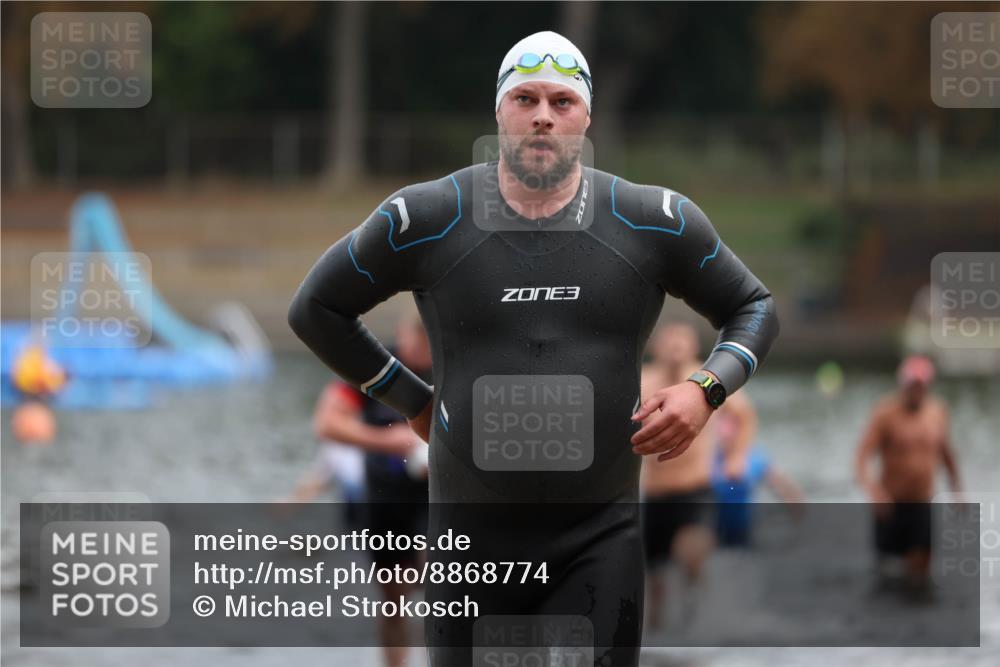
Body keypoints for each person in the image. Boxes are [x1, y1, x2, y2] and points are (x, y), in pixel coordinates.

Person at [288, 30, 778, 667]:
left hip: (598, 538)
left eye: (561, 101)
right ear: (499, 112)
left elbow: (754, 307)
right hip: (470, 542)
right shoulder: (429, 215)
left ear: (586, 118)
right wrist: (409, 400)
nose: (543, 114)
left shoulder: (652, 219)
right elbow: (316, 310)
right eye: (525, 98)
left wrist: (705, 390)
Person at [284, 312, 432, 667]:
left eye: (427, 347)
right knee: (394, 599)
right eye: (414, 343)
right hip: (384, 500)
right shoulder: (376, 369)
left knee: (445, 584)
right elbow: (327, 422)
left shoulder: (452, 366)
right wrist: (388, 440)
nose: (419, 353)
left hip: (435, 498)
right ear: (401, 334)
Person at [639, 323, 744, 629]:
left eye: (680, 344)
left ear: (693, 349)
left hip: (695, 488)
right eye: (668, 343)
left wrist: (736, 456)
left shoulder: (705, 382)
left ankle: (698, 622)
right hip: (654, 495)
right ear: (655, 348)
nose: (674, 350)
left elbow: (745, 415)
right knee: (655, 581)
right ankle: (657, 643)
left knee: (690, 553)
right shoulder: (643, 382)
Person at [854, 355, 962, 591]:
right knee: (888, 577)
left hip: (922, 503)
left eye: (921, 385)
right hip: (891, 505)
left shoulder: (937, 412)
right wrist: (875, 492)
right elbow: (861, 458)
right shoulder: (885, 414)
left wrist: (957, 491)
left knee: (921, 575)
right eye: (912, 385)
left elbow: (947, 454)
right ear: (903, 385)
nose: (917, 391)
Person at [709, 400, 803, 548]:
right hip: (713, 539)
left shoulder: (755, 457)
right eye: (722, 419)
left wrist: (799, 519)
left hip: (745, 539)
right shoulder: (707, 457)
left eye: (733, 421)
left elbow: (786, 489)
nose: (725, 428)